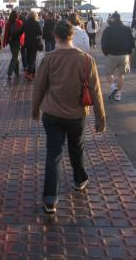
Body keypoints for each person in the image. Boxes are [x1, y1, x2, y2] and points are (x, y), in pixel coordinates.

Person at [32, 20, 106, 214]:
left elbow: (39, 87)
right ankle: (80, 179)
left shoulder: (48, 58)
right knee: (77, 148)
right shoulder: (85, 59)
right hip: (77, 114)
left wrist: (35, 109)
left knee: (53, 153)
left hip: (52, 114)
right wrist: (100, 117)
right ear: (72, 35)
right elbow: (95, 90)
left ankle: (50, 198)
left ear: (56, 36)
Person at [101, 12, 135, 101]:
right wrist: (129, 52)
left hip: (112, 55)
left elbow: (104, 43)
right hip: (124, 55)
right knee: (121, 75)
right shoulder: (127, 29)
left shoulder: (108, 29)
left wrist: (106, 53)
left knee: (108, 73)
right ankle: (118, 94)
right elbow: (132, 42)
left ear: (113, 19)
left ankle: (113, 87)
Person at [21, 11, 43, 81]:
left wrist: (13, 36)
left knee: (29, 58)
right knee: (33, 59)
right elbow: (40, 32)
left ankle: (33, 73)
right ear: (35, 16)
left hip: (27, 43)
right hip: (34, 43)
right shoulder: (36, 23)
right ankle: (28, 72)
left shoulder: (26, 23)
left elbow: (20, 31)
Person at [3, 10, 24, 79]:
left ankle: (17, 72)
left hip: (11, 41)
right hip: (17, 42)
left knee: (16, 56)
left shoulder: (8, 23)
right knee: (15, 57)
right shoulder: (19, 22)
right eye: (17, 14)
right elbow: (22, 32)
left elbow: (6, 33)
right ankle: (9, 73)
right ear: (16, 15)